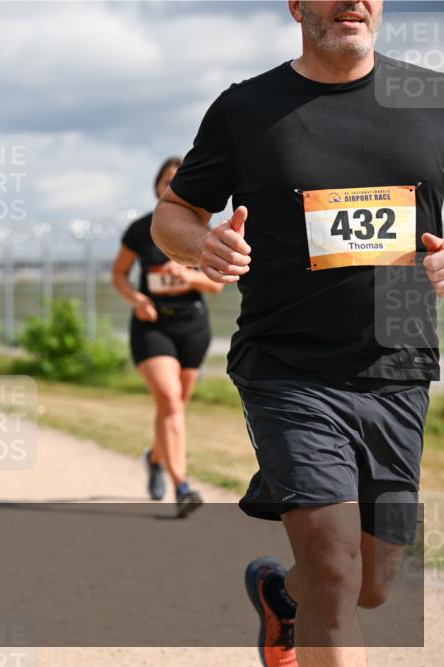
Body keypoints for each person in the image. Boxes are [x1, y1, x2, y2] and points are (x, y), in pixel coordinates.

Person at [150, 2, 443, 665]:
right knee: (334, 575)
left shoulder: (430, 99)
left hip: (397, 365)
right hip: (288, 367)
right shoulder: (248, 108)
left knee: (373, 584)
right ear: (296, 4)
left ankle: (281, 596)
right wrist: (203, 244)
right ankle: (308, 593)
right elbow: (175, 212)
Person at [112, 156, 222, 518]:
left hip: (193, 327)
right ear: (158, 186)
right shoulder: (139, 229)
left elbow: (217, 286)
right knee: (171, 401)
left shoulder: (202, 230)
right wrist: (137, 299)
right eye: (165, 180)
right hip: (152, 325)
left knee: (175, 407)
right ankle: (183, 485)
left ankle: (155, 457)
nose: (170, 185)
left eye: (177, 179)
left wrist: (190, 276)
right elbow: (119, 275)